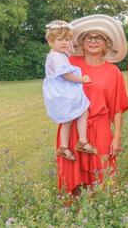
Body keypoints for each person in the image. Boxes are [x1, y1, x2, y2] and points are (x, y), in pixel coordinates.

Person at [56, 14, 128, 195]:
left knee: (103, 179)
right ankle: (75, 218)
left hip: (101, 128)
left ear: (107, 43)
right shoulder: (69, 64)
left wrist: (117, 136)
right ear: (81, 42)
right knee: (73, 182)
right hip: (72, 128)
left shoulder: (113, 72)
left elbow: (118, 107)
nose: (93, 41)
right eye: (89, 37)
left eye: (99, 37)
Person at [43, 20, 96, 161]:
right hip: (64, 91)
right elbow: (67, 75)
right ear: (50, 41)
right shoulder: (58, 58)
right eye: (60, 40)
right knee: (83, 109)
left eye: (67, 39)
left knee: (67, 119)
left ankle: (64, 147)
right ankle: (83, 141)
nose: (65, 43)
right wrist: (82, 79)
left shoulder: (55, 54)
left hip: (57, 91)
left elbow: (69, 51)